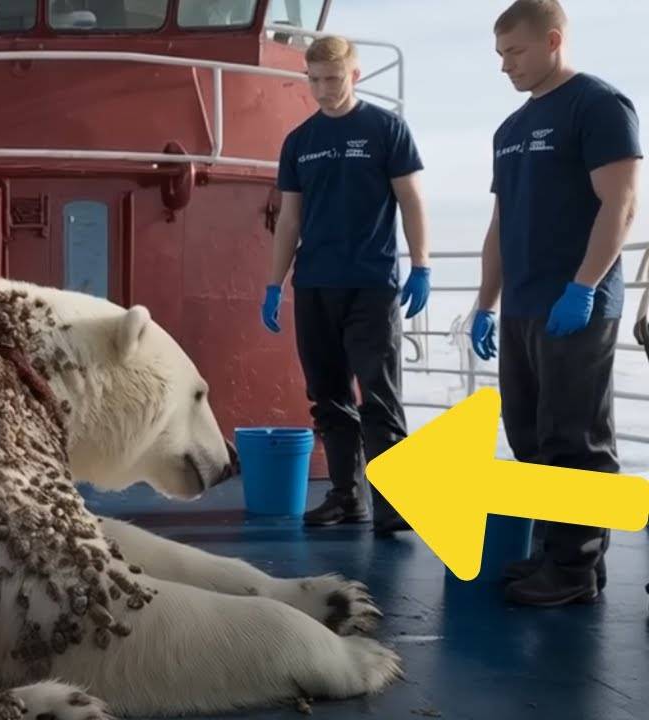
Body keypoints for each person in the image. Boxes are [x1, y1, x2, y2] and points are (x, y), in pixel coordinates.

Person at [469, 0, 640, 607]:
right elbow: (500, 225)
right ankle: (556, 555)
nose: (506, 66)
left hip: (576, 302)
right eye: (500, 55)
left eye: (515, 52)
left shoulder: (597, 105)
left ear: (553, 40)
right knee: (530, 437)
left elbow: (619, 204)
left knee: (575, 439)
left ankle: (576, 567)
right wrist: (485, 304)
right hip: (521, 305)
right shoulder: (509, 130)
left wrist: (585, 285)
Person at [264, 35, 431, 534]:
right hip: (314, 284)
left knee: (378, 395)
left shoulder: (386, 129)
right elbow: (289, 220)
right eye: (313, 80)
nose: (321, 90)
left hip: (371, 284)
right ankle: (346, 497)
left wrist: (421, 265)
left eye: (331, 79)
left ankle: (395, 503)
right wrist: (275, 284)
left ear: (354, 75)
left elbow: (412, 201)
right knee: (328, 395)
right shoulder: (299, 141)